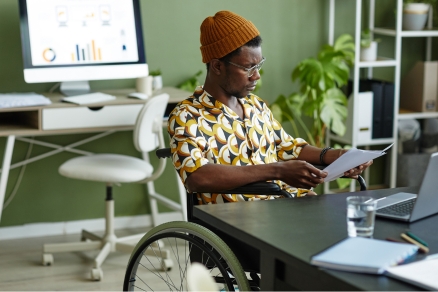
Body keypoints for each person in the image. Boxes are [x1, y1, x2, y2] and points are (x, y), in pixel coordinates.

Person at [167, 10, 372, 204]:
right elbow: (197, 177)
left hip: (286, 204)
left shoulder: (256, 106)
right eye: (248, 68)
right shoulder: (187, 116)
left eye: (259, 65)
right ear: (217, 66)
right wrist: (278, 171)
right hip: (238, 218)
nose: (256, 75)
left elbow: (287, 147)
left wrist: (338, 157)